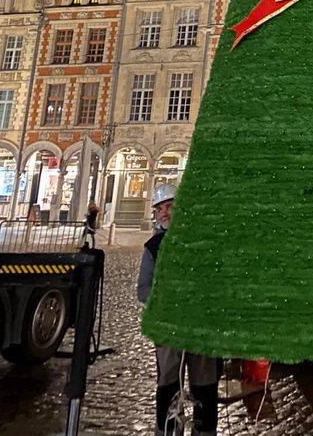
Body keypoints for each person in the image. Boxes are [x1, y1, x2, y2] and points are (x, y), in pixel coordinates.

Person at [137, 183, 219, 436]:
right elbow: (143, 289)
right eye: (160, 209)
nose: (164, 213)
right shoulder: (153, 248)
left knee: (205, 385)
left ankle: (205, 432)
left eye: (169, 206)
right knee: (169, 384)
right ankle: (168, 431)